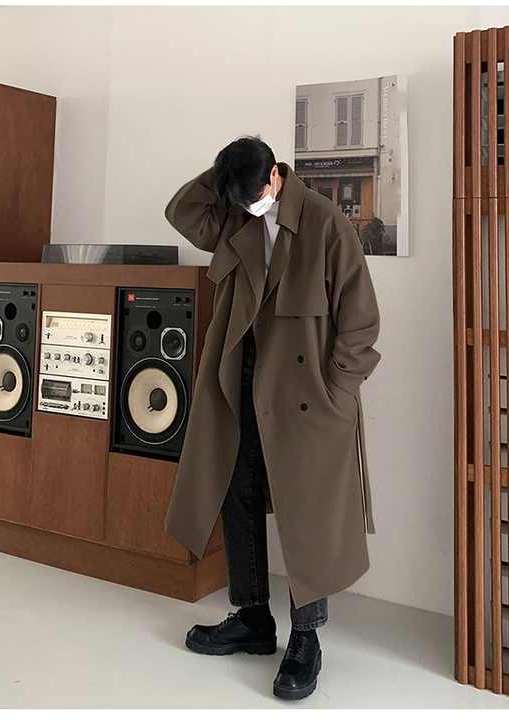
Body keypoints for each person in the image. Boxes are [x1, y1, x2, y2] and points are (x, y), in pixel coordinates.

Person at [163, 136, 381, 701]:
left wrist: (337, 390)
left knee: (306, 510)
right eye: (239, 198)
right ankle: (252, 617)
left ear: (276, 177)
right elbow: (182, 212)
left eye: (255, 194)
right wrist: (223, 175)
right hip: (241, 376)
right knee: (237, 491)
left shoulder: (325, 223)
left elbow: (361, 320)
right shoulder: (235, 214)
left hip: (306, 392)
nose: (250, 206)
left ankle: (306, 637)